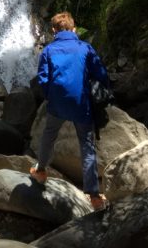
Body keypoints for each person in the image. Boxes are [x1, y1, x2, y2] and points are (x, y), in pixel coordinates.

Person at [29, 11, 111, 211]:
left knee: (49, 135)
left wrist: (51, 96)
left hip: (57, 103)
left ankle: (40, 170)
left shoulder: (48, 50)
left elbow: (43, 79)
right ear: (74, 29)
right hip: (81, 102)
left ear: (54, 31)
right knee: (87, 145)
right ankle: (94, 195)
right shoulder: (85, 48)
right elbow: (101, 74)